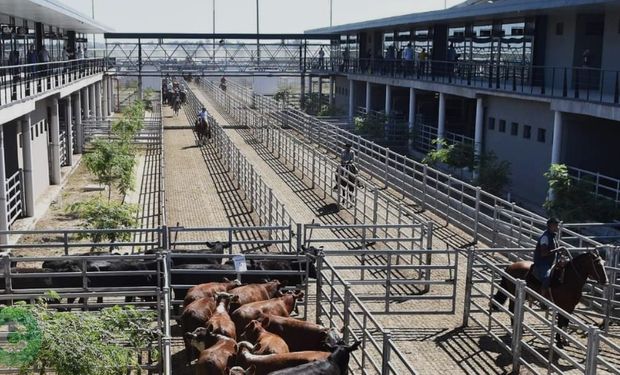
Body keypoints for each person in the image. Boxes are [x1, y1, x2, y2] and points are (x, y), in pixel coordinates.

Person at [533, 218, 566, 302]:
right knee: (547, 277)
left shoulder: (553, 237)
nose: (558, 228)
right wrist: (557, 250)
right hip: (542, 263)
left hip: (550, 262)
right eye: (556, 226)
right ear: (550, 226)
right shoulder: (545, 237)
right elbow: (543, 253)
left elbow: (554, 250)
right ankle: (542, 299)